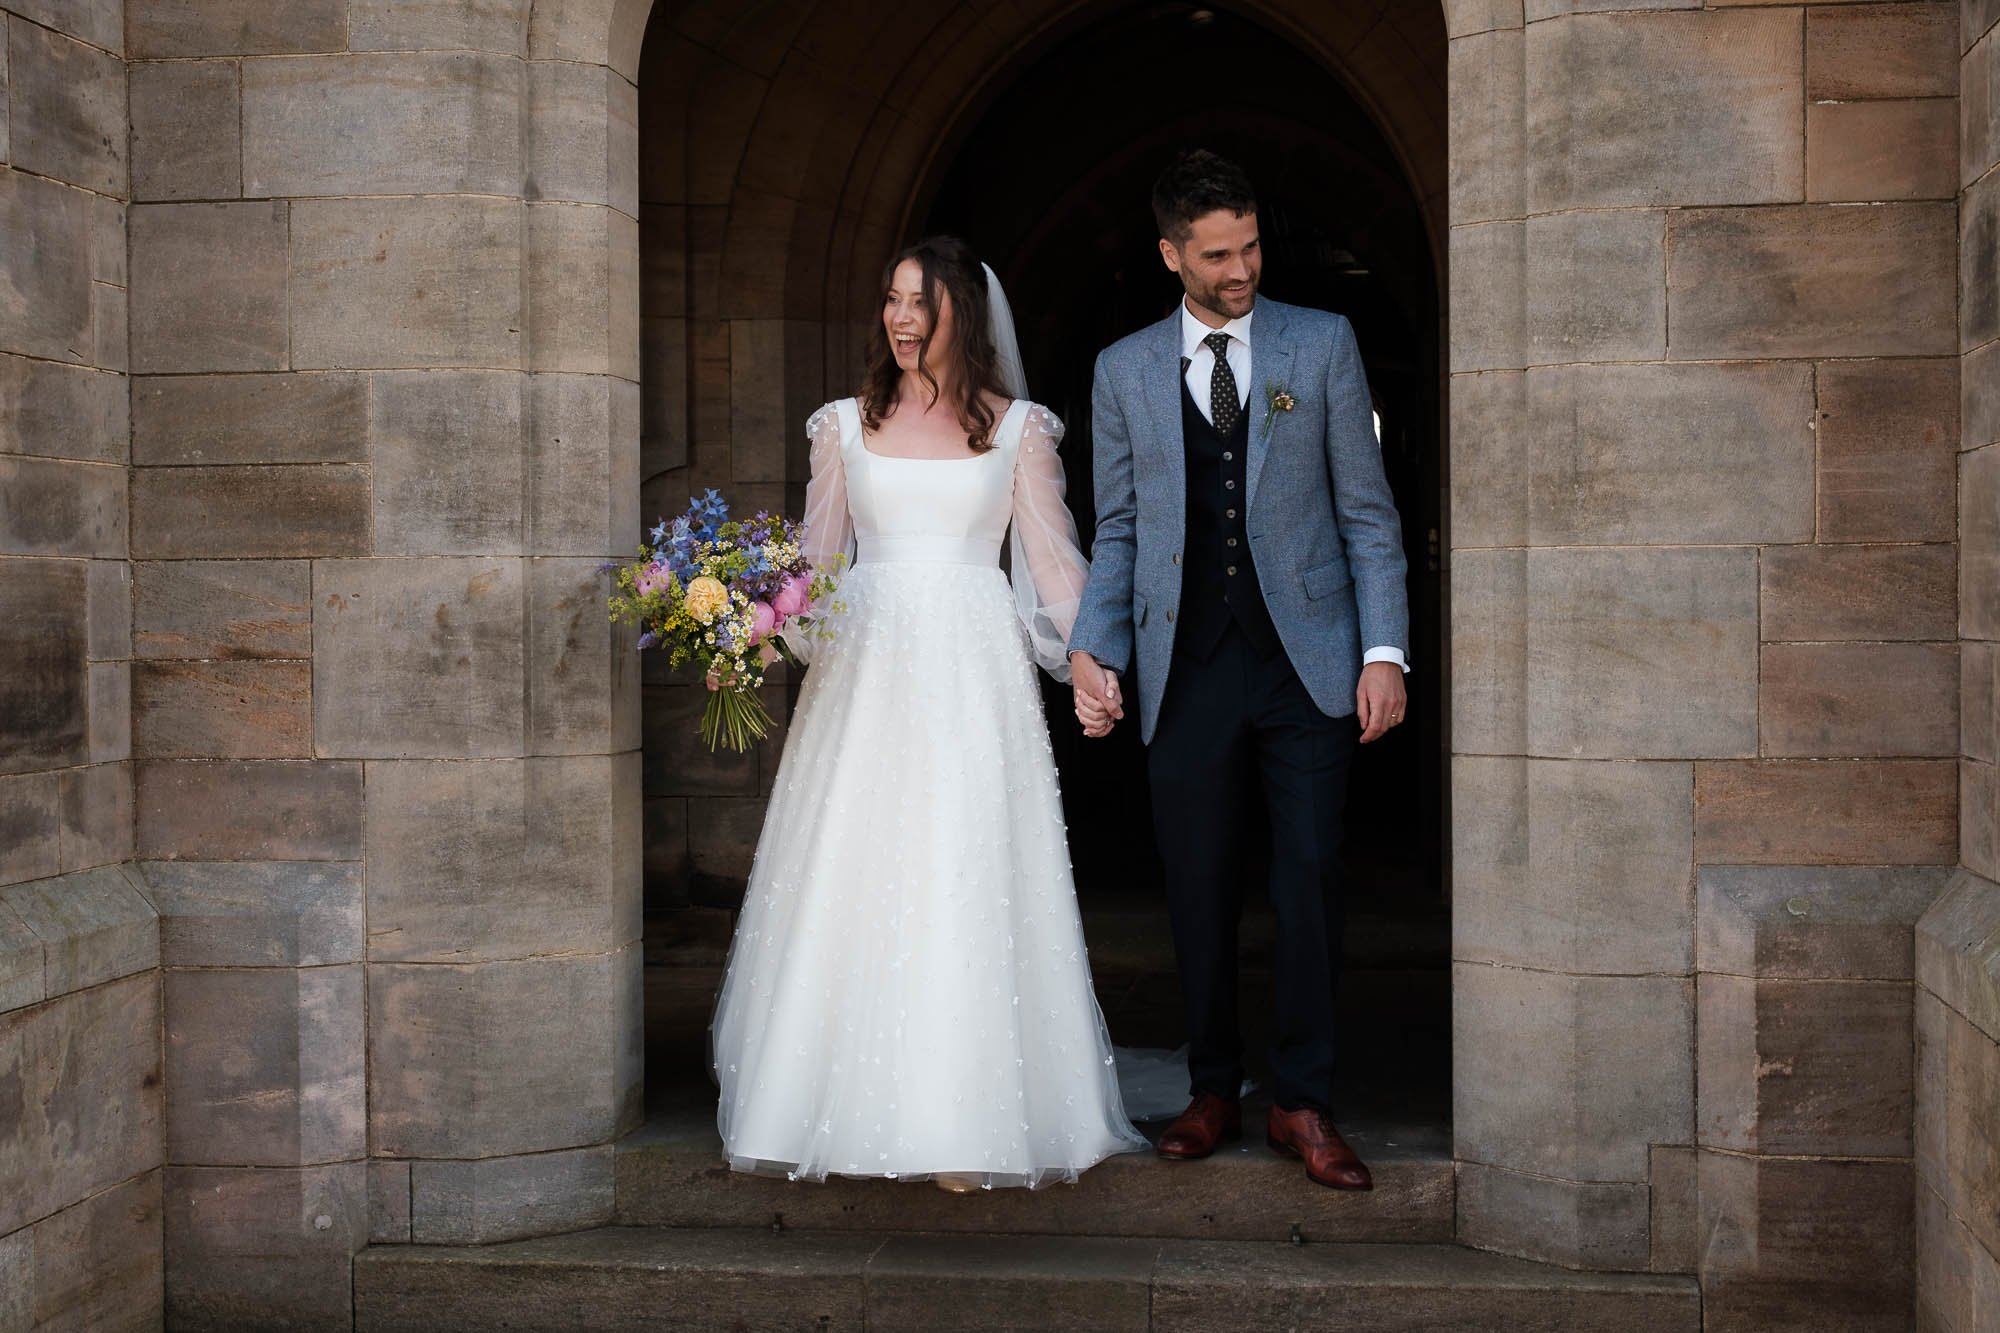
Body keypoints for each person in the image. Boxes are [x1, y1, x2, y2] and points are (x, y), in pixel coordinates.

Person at [709, 236, 1148, 1192]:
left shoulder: (1019, 429)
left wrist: (1090, 663)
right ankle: (825, 1099)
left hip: (971, 674)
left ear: (963, 317)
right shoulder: (841, 426)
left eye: (921, 303)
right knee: (858, 870)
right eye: (892, 301)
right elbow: (817, 567)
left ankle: (962, 1120)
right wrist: (748, 627)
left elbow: (1052, 561)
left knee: (962, 870)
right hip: (867, 674)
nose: (901, 319)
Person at [1067, 150, 1411, 1191]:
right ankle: (1212, 1087)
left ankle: (1302, 1101)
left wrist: (1381, 650)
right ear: (1171, 253)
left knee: (1307, 877)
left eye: (1251, 246)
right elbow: (1118, 529)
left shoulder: (1322, 342)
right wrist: (1096, 643)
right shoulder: (1123, 369)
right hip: (1186, 665)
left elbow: (1366, 511)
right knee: (1197, 887)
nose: (1240, 268)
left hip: (1306, 663)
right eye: (1217, 254)